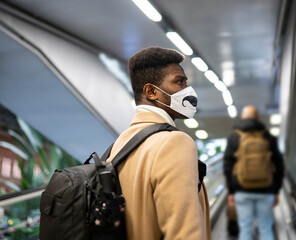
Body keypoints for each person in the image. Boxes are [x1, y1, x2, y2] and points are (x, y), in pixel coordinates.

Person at [106, 46, 211, 240]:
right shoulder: (175, 143)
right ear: (151, 92)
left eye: (186, 82)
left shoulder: (121, 143)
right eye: (179, 82)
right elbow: (184, 233)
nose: (187, 90)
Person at [223, 105, 284, 240]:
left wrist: (231, 191)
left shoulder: (234, 137)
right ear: (258, 118)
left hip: (241, 190)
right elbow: (279, 165)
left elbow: (228, 165)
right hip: (266, 190)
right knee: (265, 229)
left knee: (245, 229)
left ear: (242, 117)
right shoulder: (268, 137)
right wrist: (276, 190)